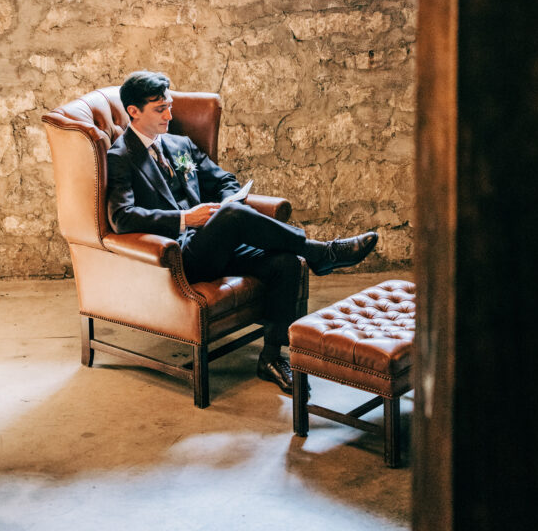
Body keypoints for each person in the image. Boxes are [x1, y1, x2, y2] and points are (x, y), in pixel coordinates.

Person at [107, 70, 379, 395]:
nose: (170, 115)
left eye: (170, 106)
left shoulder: (179, 145)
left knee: (286, 262)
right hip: (179, 257)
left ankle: (271, 359)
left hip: (215, 243)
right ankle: (323, 253)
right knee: (235, 215)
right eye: (159, 109)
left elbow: (224, 180)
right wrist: (184, 218)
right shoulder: (121, 157)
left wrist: (225, 205)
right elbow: (122, 217)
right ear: (134, 111)